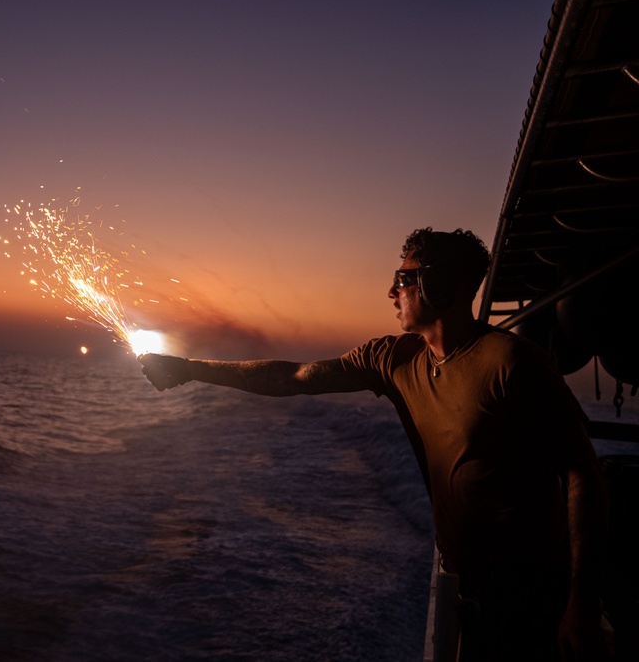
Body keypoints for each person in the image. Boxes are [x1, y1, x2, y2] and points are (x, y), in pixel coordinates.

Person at [139, 228, 608, 661]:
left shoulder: (513, 363)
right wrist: (190, 368)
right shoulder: (394, 358)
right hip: (463, 579)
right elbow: (294, 377)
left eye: (402, 279)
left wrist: (582, 602)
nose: (391, 292)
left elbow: (582, 472)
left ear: (438, 284)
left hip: (528, 586)